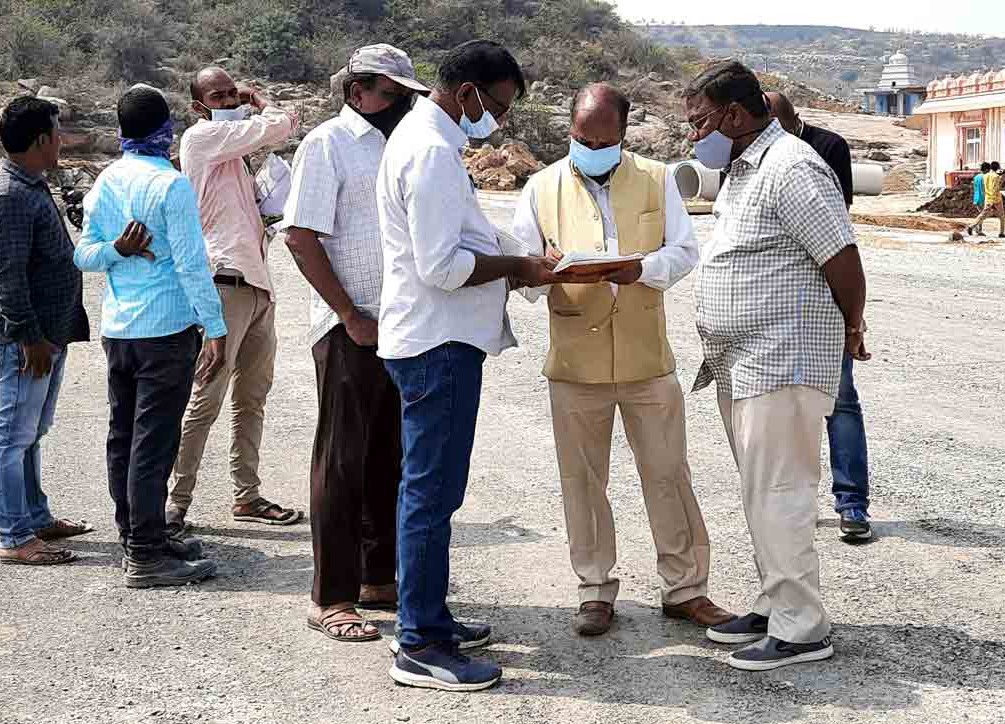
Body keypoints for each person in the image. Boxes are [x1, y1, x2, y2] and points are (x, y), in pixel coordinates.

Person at [376, 39, 566, 691]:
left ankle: (427, 616)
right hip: (437, 342)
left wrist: (517, 256)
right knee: (431, 492)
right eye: (499, 106)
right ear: (467, 94)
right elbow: (442, 266)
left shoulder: (425, 139)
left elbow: (459, 243)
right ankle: (420, 643)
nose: (501, 122)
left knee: (431, 489)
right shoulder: (429, 150)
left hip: (435, 338)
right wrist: (518, 266)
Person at [511, 83, 733, 637]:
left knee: (668, 474)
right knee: (581, 481)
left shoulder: (659, 178)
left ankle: (685, 589)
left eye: (603, 141)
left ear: (622, 135)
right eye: (583, 139)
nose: (592, 148)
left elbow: (684, 252)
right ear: (571, 131)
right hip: (575, 363)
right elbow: (521, 273)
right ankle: (594, 590)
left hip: (646, 359)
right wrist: (547, 268)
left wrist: (642, 269)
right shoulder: (540, 188)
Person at [685, 61, 869, 671]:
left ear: (736, 115)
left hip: (783, 358)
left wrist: (852, 325)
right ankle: (774, 602)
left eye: (700, 122)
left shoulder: (791, 167)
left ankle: (802, 628)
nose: (693, 136)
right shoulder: (745, 168)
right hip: (744, 361)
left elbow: (842, 255)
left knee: (782, 492)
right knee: (759, 491)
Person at [281, 44, 428, 643]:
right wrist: (347, 313)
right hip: (350, 327)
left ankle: (377, 576)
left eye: (403, 96)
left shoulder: (405, 143)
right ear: (356, 91)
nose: (397, 106)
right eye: (389, 94)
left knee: (387, 457)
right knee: (341, 462)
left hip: (402, 324)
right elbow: (299, 235)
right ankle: (332, 595)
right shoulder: (327, 144)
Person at [74, 84, 226, 589]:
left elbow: (85, 255)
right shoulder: (170, 185)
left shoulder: (105, 183)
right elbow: (190, 264)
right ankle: (145, 554)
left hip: (120, 330)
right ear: (168, 130)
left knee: (124, 436)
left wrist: (117, 250)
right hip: (165, 330)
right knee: (153, 441)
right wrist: (217, 326)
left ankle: (141, 535)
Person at [164, 67, 303, 534]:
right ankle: (174, 501)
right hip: (224, 285)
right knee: (206, 398)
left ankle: (247, 494)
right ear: (199, 107)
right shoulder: (203, 139)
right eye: (218, 97)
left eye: (231, 94)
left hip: (257, 285)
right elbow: (284, 124)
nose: (228, 101)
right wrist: (257, 102)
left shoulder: (235, 155)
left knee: (252, 398)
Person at [0, 97, 91, 566]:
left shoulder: (33, 185)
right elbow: (7, 274)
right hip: (28, 340)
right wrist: (28, 338)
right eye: (57, 133)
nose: (62, 142)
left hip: (47, 334)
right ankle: (15, 536)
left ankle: (35, 517)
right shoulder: (9, 195)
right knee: (11, 437)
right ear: (42, 140)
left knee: (31, 431)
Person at [767, 92, 872, 541]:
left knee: (839, 400)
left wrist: (853, 318)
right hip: (773, 305)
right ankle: (795, 505)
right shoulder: (748, 155)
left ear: (792, 122)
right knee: (785, 407)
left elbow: (836, 231)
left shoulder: (825, 148)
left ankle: (852, 504)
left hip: (822, 296)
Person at [966, 162, 1005, 238]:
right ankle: (1001, 233)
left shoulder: (986, 176)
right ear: (997, 168)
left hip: (987, 198)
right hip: (996, 199)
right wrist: (1002, 178)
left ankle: (971, 226)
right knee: (1002, 217)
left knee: (982, 214)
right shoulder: (997, 177)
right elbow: (996, 188)